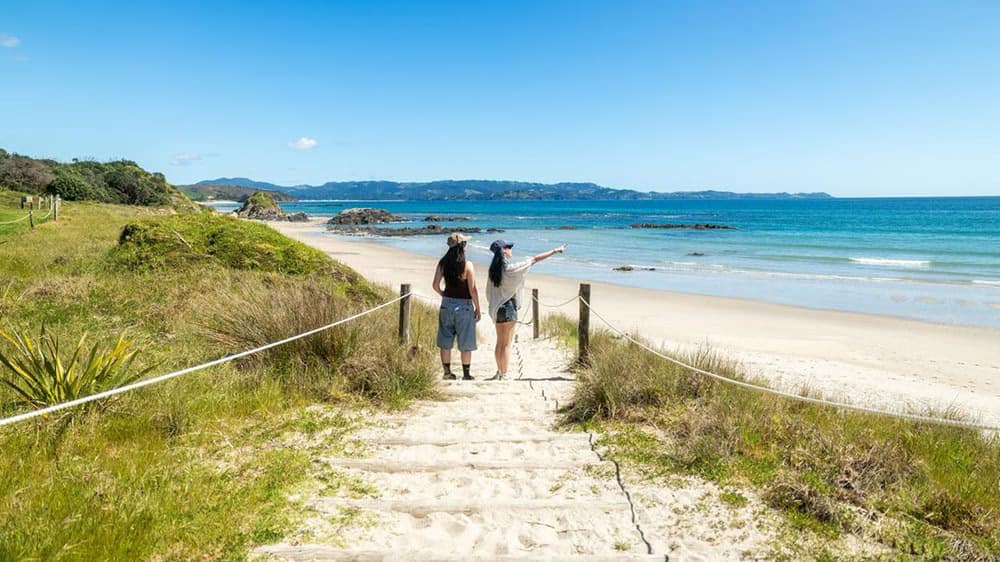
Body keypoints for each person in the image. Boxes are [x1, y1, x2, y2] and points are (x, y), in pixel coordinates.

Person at [486, 239, 566, 380]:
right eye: (508, 247)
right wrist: (555, 250)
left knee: (500, 343)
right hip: (509, 307)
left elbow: (489, 292)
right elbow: (534, 259)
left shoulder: (493, 271)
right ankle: (504, 374)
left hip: (497, 308)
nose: (511, 249)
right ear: (503, 250)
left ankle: (499, 372)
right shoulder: (511, 269)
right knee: (506, 344)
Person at [432, 233, 482, 380]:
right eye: (465, 243)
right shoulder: (467, 265)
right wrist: (478, 308)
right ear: (462, 246)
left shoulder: (443, 263)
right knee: (466, 341)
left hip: (447, 305)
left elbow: (435, 285)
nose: (467, 245)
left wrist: (444, 295)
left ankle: (447, 373)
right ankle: (466, 374)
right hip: (464, 306)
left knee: (445, 340)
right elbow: (472, 289)